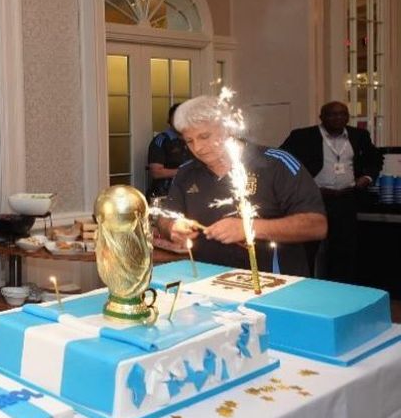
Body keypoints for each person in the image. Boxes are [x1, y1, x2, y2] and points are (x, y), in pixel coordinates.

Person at [156, 95, 326, 276]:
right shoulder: (186, 172)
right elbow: (165, 217)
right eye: (189, 141)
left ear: (228, 128)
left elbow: (316, 226)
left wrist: (249, 228)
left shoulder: (276, 164)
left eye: (204, 136)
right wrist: (172, 228)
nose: (198, 148)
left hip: (273, 284)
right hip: (208, 281)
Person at [279, 101, 383, 282]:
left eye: (342, 114)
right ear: (321, 117)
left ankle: (341, 290)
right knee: (308, 248)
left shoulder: (359, 135)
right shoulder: (303, 136)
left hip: (345, 200)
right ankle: (304, 287)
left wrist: (367, 178)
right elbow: (282, 159)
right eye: (332, 114)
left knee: (344, 250)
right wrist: (300, 184)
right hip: (314, 200)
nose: (338, 118)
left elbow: (375, 158)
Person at [146, 102, 192, 199]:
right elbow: (156, 172)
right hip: (165, 195)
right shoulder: (162, 140)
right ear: (169, 120)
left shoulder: (194, 140)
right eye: (176, 118)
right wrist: (185, 171)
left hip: (190, 195)